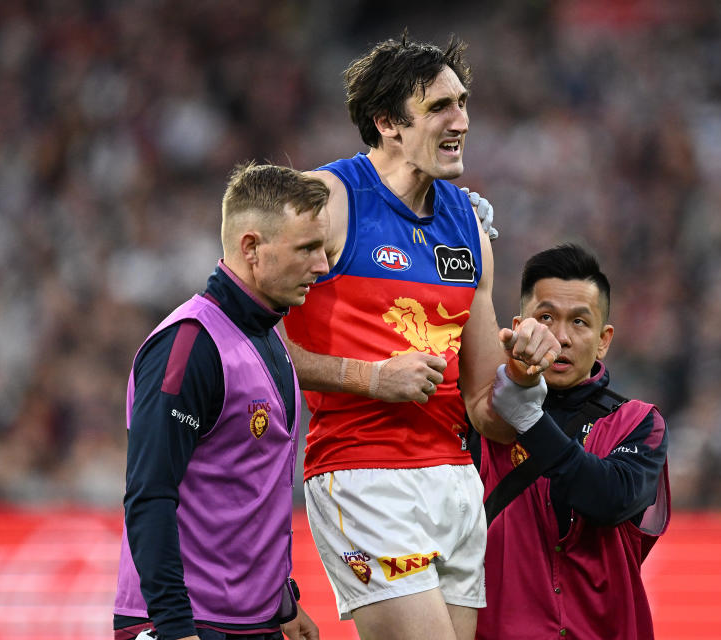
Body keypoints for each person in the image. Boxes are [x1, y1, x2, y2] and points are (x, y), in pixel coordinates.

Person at [281, 34, 558, 640]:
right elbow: (249, 349)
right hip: (362, 473)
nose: (462, 121)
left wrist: (524, 372)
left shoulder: (470, 227)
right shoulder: (327, 201)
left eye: (462, 103)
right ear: (387, 123)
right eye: (439, 108)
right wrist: (371, 378)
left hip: (456, 482)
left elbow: (489, 413)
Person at [113, 162, 330, 640]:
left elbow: (253, 491)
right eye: (308, 249)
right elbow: (150, 495)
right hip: (186, 623)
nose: (323, 265)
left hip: (253, 621)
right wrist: (174, 627)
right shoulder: (189, 345)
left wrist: (282, 601)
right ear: (251, 248)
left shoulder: (270, 339)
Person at [477, 243, 671, 640]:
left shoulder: (639, 422)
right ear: (519, 325)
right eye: (545, 317)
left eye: (580, 323)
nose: (560, 337)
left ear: (604, 339)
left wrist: (530, 420)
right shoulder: (480, 416)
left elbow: (609, 497)